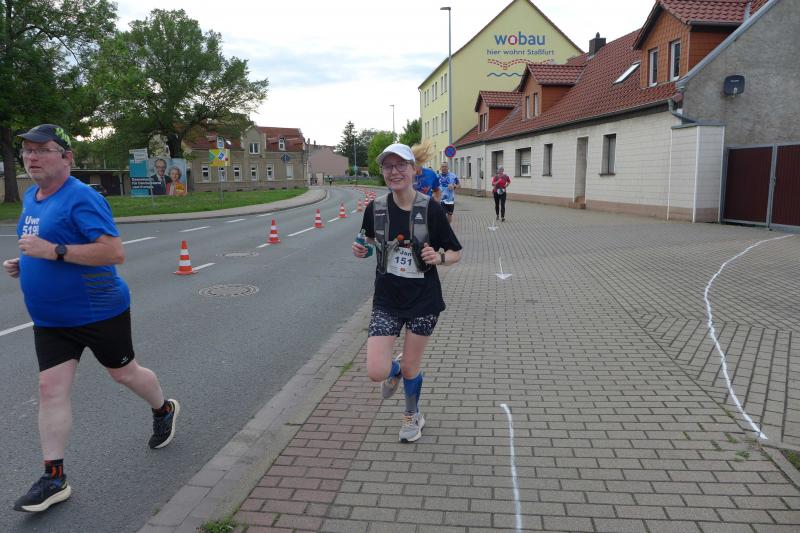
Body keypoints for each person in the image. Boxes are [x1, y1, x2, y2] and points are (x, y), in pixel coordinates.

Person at [3, 124, 180, 513]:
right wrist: (26, 263)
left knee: (124, 374)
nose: (31, 157)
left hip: (98, 312)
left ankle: (163, 408)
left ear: (67, 157)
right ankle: (54, 477)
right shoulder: (32, 197)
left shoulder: (83, 198)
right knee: (50, 389)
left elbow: (113, 253)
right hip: (50, 320)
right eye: (27, 151)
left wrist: (52, 251)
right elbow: (44, 246)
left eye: (41, 150)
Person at [352, 143, 462, 443]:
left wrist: (439, 257)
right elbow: (370, 243)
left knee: (413, 366)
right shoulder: (376, 208)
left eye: (401, 165)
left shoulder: (430, 208)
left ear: (414, 170)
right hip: (387, 299)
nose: (395, 171)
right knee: (376, 371)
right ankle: (394, 370)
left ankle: (412, 416)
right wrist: (362, 250)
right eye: (388, 166)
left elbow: (455, 252)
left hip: (423, 301)